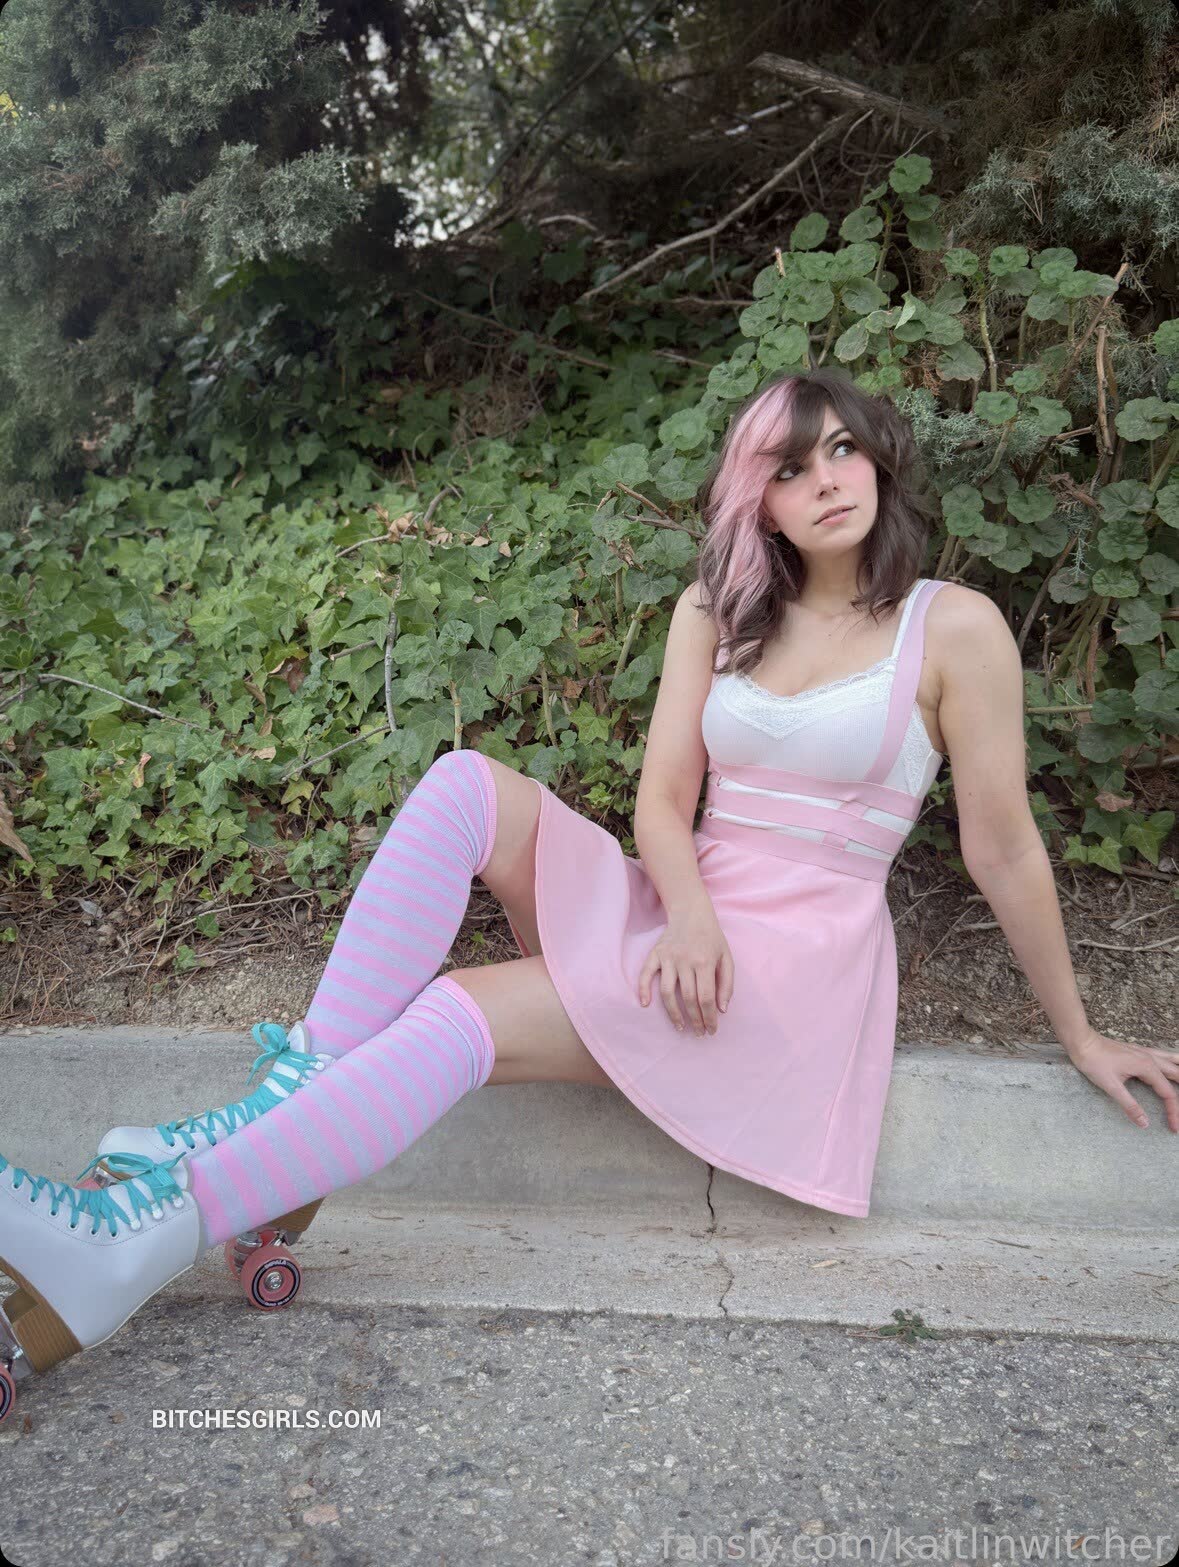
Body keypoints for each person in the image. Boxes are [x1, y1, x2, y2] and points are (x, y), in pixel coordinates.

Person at [3, 367, 1177, 1425]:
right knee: (465, 786)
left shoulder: (952, 628)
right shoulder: (718, 611)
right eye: (789, 467)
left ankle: (137, 1233)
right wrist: (692, 914)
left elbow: (1004, 849)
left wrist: (1080, 1034)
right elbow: (663, 803)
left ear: (876, 459)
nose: (826, 480)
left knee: (456, 1008)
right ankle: (266, 1125)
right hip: (685, 912)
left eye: (842, 450)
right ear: (758, 502)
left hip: (787, 973)